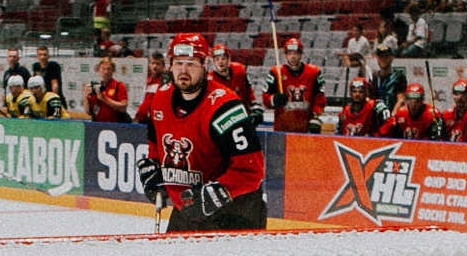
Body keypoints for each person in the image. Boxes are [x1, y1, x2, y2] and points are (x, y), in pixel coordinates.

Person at [135, 32, 264, 231]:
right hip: (191, 206)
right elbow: (155, 146)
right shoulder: (159, 100)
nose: (183, 70)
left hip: (235, 209)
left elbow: (252, 170)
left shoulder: (225, 106)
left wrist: (220, 191)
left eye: (191, 63)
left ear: (204, 67)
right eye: (178, 63)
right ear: (170, 66)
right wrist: (155, 172)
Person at [268, 38, 323, 133]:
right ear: (285, 55)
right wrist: (274, 99)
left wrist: (315, 115)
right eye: (289, 53)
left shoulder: (313, 72)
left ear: (301, 54)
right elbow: (266, 97)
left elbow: (320, 97)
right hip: (282, 128)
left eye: (296, 53)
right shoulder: (276, 72)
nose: (292, 57)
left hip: (304, 127)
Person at [83, 56, 132, 123]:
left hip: (115, 125)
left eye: (109, 69)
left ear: (113, 70)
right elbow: (88, 111)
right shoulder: (96, 87)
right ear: (99, 69)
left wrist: (105, 99)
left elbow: (123, 107)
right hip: (98, 125)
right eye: (103, 69)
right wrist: (85, 97)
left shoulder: (118, 86)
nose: (106, 72)